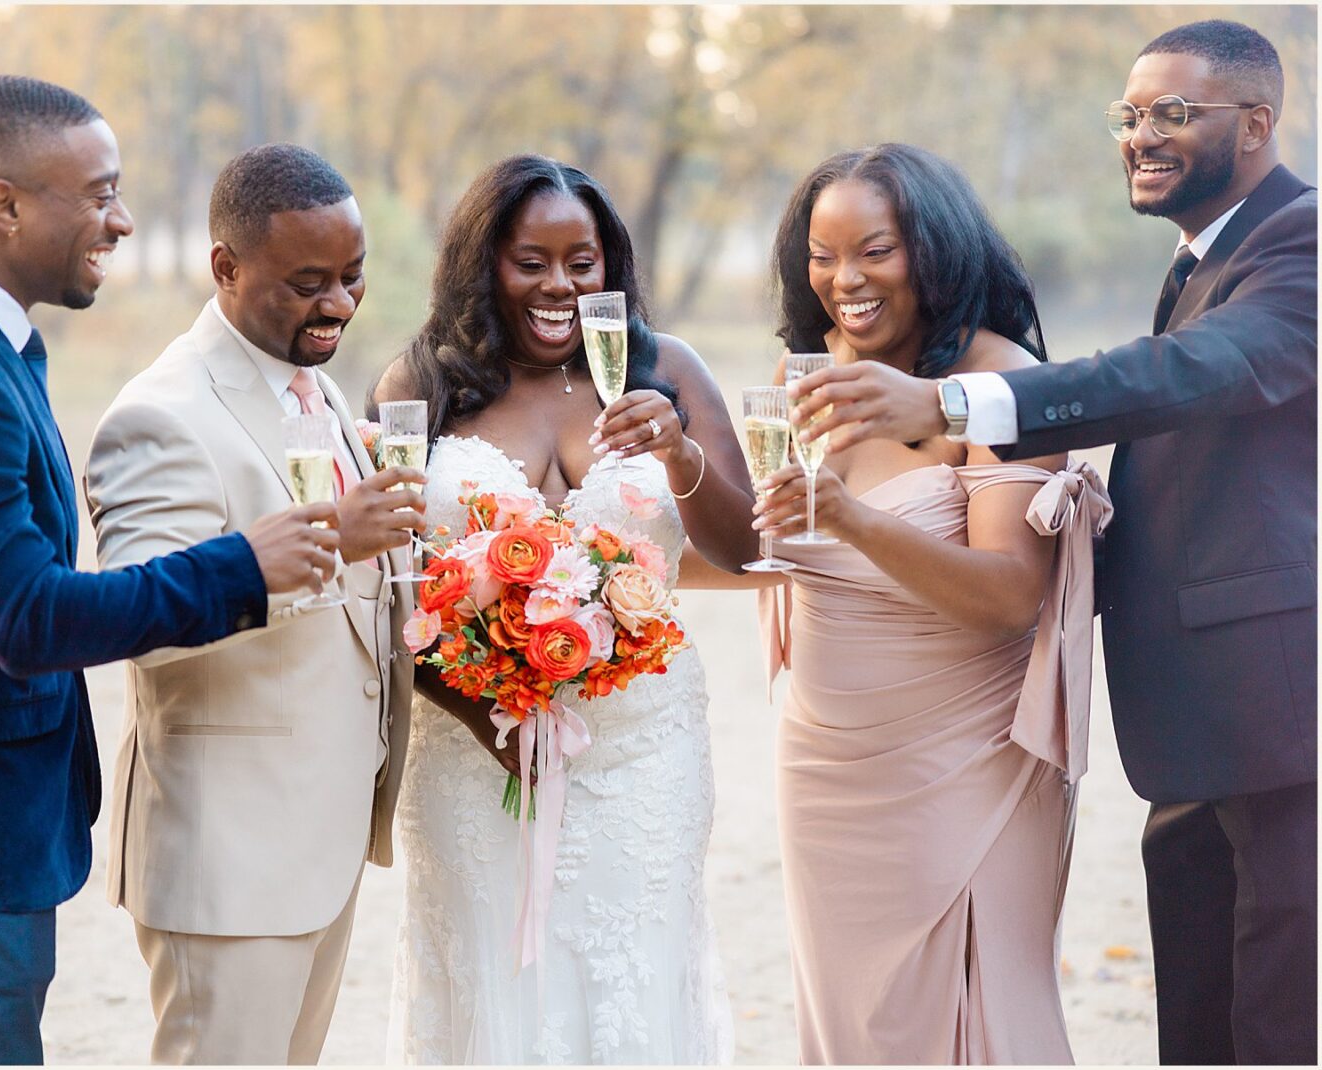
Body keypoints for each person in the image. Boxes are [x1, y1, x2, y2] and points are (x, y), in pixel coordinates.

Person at [788, 22, 1315, 1065]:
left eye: (1174, 113)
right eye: (1130, 114)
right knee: (1205, 1019)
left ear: (1257, 123)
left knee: (1273, 1021)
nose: (1141, 135)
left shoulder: (1302, 242)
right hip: (1197, 717)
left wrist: (955, 402)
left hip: (1274, 708)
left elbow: (1190, 374)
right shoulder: (1206, 257)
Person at [0, 78, 340, 1066]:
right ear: (4, 204)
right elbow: (28, 618)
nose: (121, 221)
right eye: (98, 194)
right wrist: (245, 566)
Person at [372, 154, 758, 1063]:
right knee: (494, 993)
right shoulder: (420, 385)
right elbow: (391, 596)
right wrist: (486, 720)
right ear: (484, 265)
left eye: (581, 262)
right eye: (530, 262)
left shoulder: (666, 370)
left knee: (634, 984)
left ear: (610, 266)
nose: (559, 285)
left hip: (644, 755)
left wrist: (679, 454)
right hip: (476, 760)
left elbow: (745, 547)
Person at [751, 142, 1111, 1063]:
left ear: (936, 252)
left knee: (978, 1013)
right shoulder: (804, 375)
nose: (845, 280)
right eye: (822, 256)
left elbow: (1011, 596)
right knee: (855, 1025)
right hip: (825, 763)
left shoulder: (1001, 384)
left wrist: (848, 518)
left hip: (963, 760)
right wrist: (679, 464)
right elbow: (756, 546)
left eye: (874, 250)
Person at [83, 144, 425, 1065]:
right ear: (225, 268)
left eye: (353, 276)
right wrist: (332, 542)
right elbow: (140, 624)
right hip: (229, 860)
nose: (339, 304)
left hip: (319, 841)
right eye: (307, 283)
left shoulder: (315, 388)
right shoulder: (162, 415)